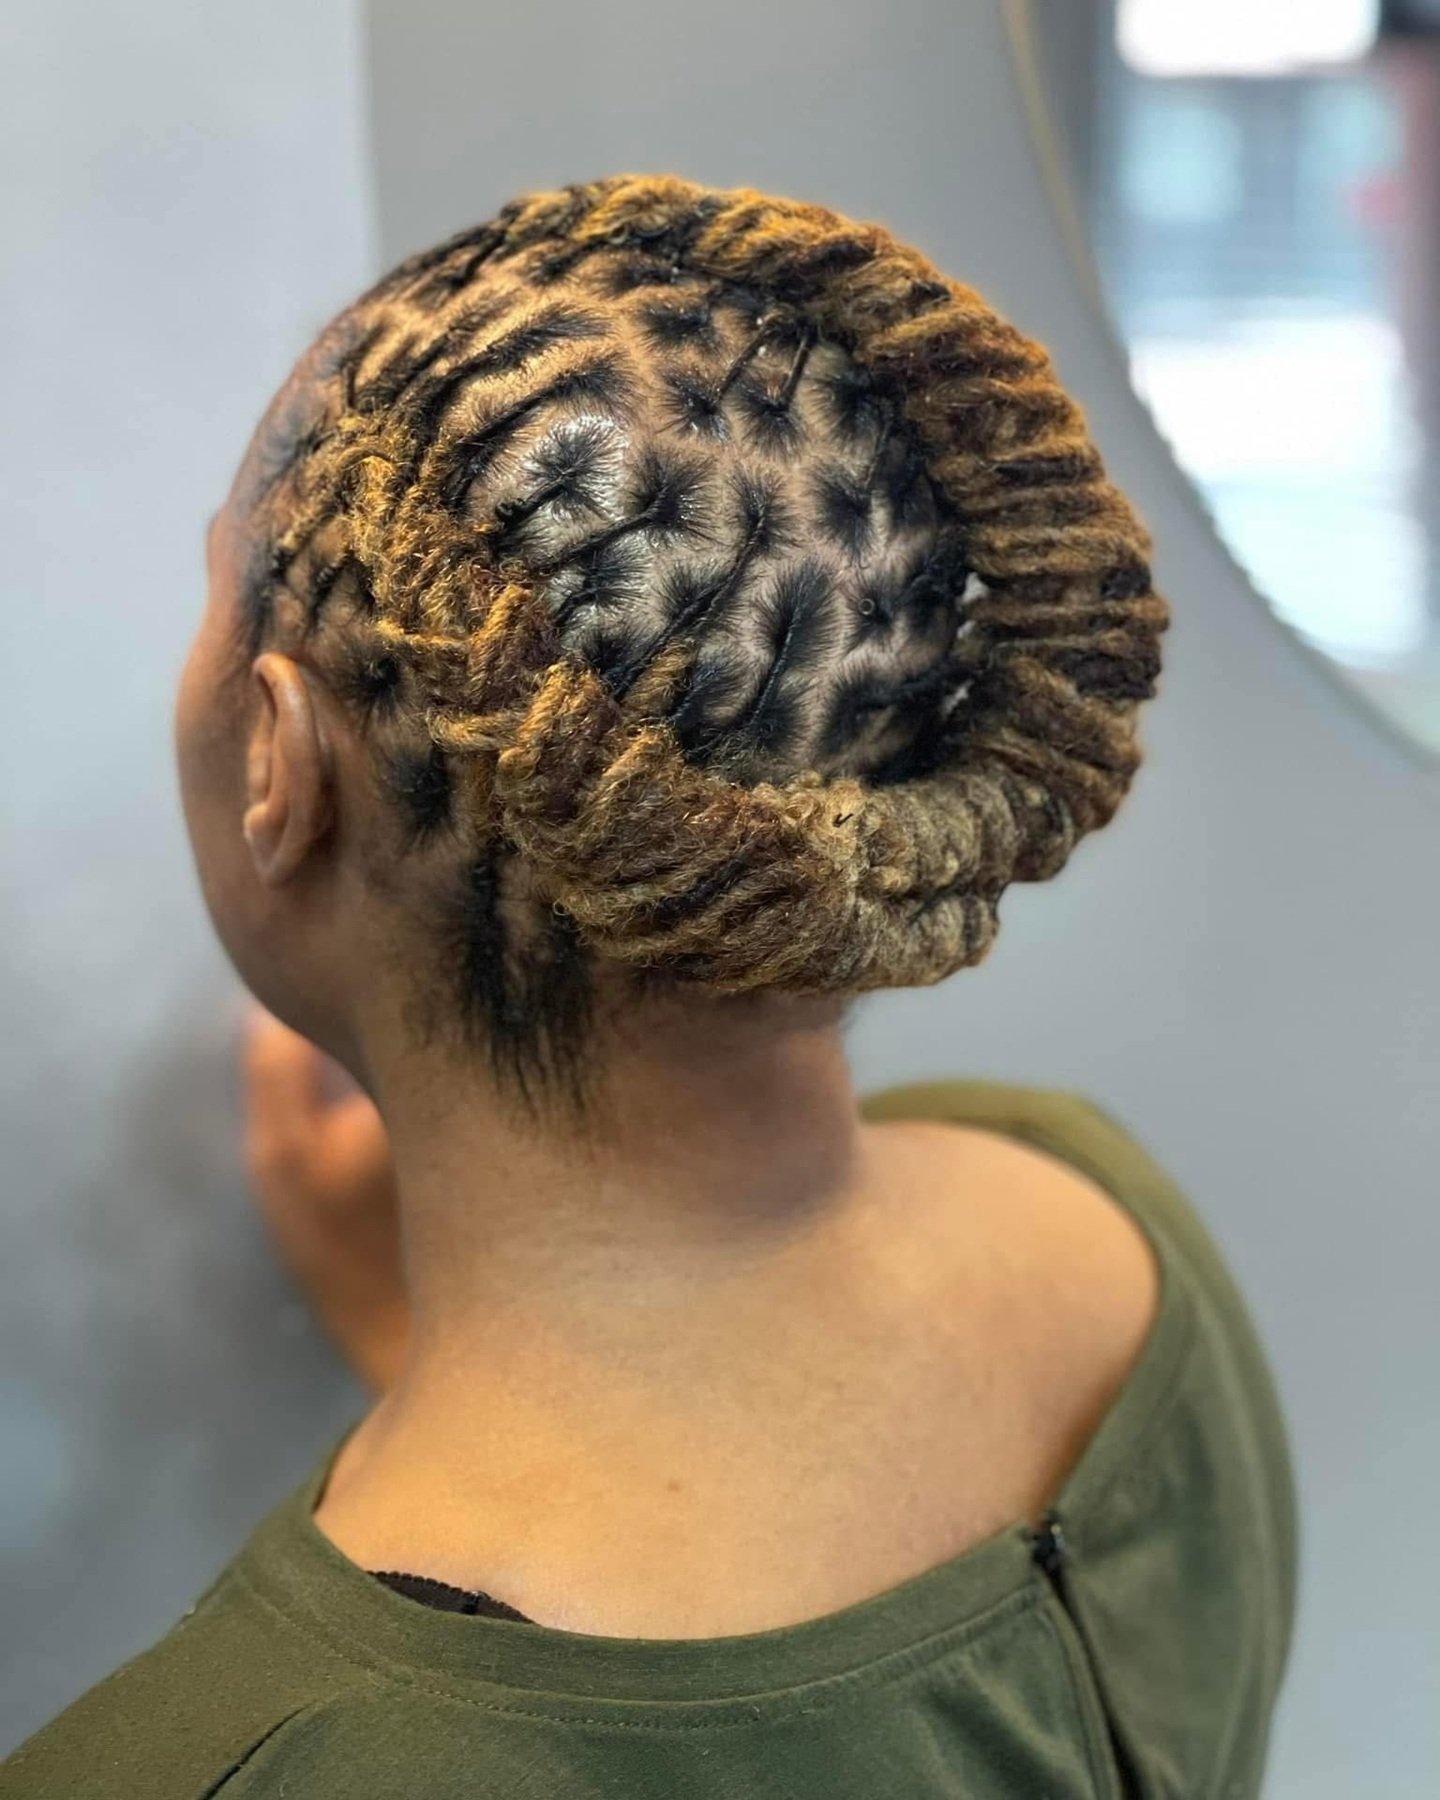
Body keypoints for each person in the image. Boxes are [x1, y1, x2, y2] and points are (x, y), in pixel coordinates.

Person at [1, 173, 1297, 1798]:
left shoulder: (228, 1765)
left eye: (218, 585)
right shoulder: (1102, 1222)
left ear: (283, 759)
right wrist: (414, 1338)